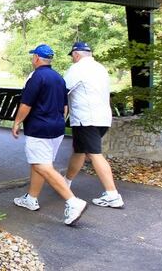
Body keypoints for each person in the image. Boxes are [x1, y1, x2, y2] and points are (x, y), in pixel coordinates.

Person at [11, 44, 87, 226]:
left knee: (42, 165)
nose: (32, 60)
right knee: (42, 163)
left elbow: (26, 104)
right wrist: (58, 121)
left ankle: (73, 201)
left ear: (37, 58)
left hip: (39, 128)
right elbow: (65, 107)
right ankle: (31, 198)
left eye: (33, 57)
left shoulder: (36, 77)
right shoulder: (59, 78)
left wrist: (16, 122)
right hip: (56, 128)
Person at [63, 42, 124, 208]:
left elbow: (63, 88)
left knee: (94, 153)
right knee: (79, 151)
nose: (72, 59)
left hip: (86, 118)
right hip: (103, 118)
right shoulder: (100, 68)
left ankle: (112, 194)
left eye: (72, 56)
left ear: (76, 54)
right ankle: (65, 183)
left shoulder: (78, 68)